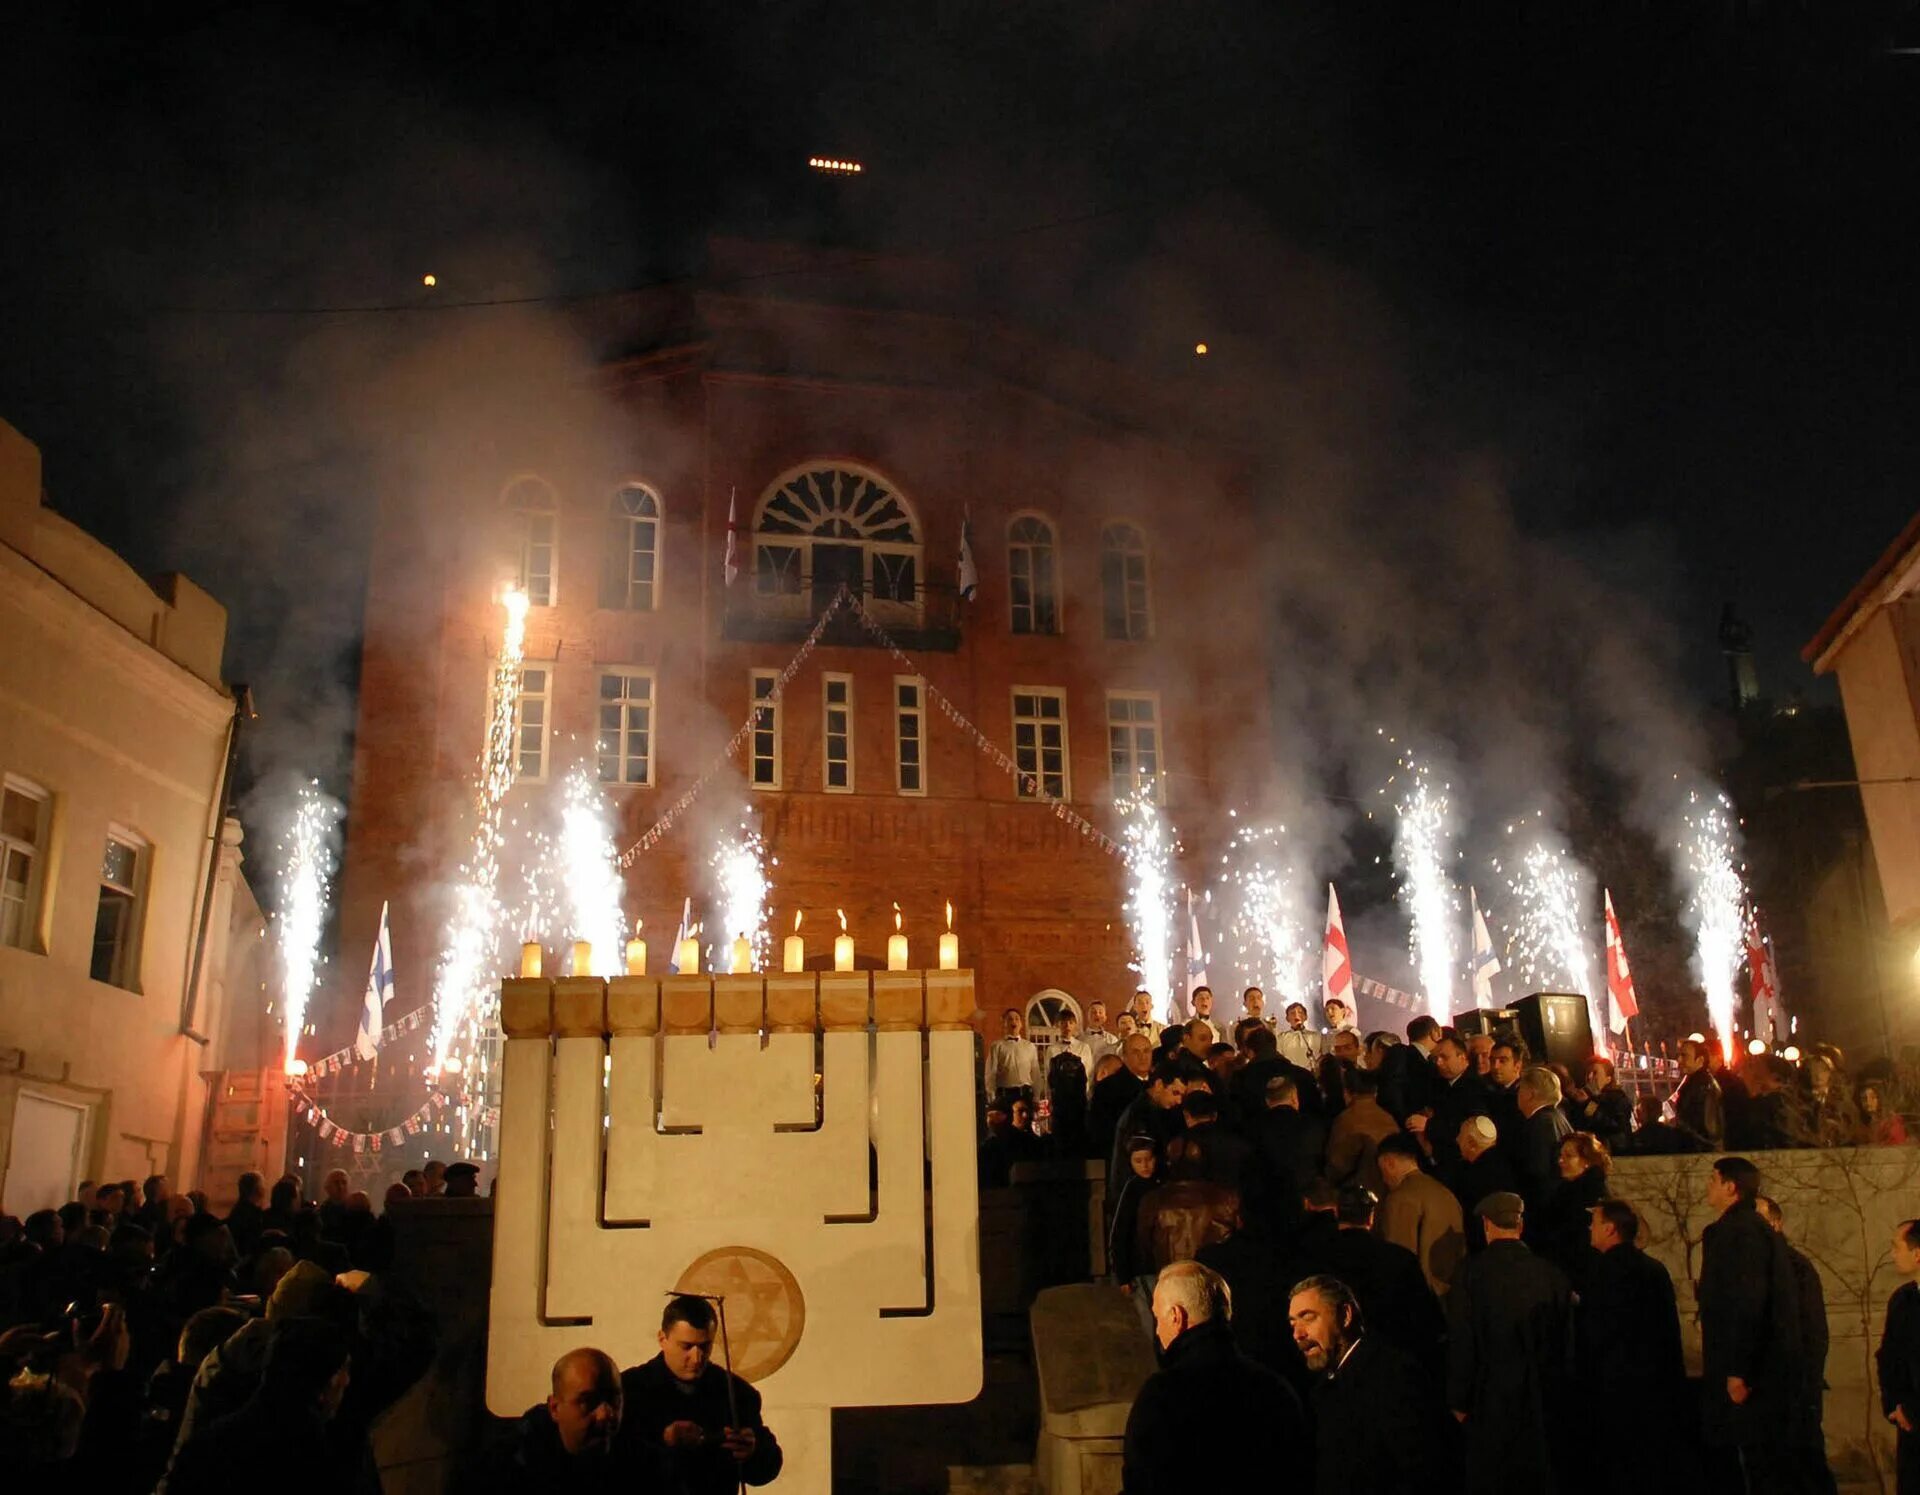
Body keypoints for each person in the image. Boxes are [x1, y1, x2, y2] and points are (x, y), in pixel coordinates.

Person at [1122, 1260, 1307, 1494]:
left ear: (1176, 1317)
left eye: (1158, 1319)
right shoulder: (1276, 1389)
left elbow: (1141, 1483)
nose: (1157, 1331)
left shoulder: (1163, 1395)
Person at [1446, 1191, 1574, 1495]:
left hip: (1489, 1393)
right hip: (1542, 1394)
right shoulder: (1551, 1274)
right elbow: (1566, 1339)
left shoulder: (1471, 1273)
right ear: (1520, 1226)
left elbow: (1463, 1338)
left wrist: (1458, 1399)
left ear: (1487, 1225)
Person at [1290, 1274, 1453, 1495]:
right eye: (1293, 1323)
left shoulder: (1393, 1376)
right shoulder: (1326, 1387)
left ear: (1345, 1315)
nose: (1298, 1334)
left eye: (1308, 1318)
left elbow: (1426, 1471)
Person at [1698, 1156, 1803, 1490]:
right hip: (1758, 1369)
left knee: (1757, 1463)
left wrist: (1738, 1370)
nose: (1708, 1186)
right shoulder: (1749, 1230)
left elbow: (1746, 1302)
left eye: (1714, 1180)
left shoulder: (1739, 1233)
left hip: (1749, 1375)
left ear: (1731, 1187)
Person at [166, 1317, 357, 1495]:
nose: (347, 1381)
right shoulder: (317, 1463)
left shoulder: (205, 1445)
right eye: (344, 1369)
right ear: (328, 1380)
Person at [1577, 1200, 1689, 1489]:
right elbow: (1669, 1333)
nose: (1590, 1228)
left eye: (1596, 1222)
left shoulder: (1600, 1273)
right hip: (1655, 1390)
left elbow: (1595, 1334)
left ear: (1611, 1229)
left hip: (1613, 1390)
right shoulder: (1654, 1270)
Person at [618, 1295, 782, 1493]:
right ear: (662, 1339)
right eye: (686, 1346)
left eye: (705, 1346)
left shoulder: (737, 1393)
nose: (696, 1358)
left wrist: (752, 1453)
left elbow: (766, 1468)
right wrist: (662, 1440)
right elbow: (609, 1459)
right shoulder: (628, 1389)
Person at [1758, 1194, 1837, 1495]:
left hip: (1796, 1386)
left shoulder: (1794, 1266)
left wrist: (1806, 1380)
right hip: (1776, 1387)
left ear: (1776, 1224)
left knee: (1804, 1459)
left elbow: (1813, 1330)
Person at [489, 1346, 636, 1493]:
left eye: (614, 1399)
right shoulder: (507, 1467)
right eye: (589, 1401)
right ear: (554, 1408)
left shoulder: (641, 1460)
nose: (604, 1414)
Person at [1376, 1132, 1466, 1297]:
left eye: (1382, 1171)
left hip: (1421, 1297)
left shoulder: (1400, 1198)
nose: (1384, 1179)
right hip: (1452, 1294)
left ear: (1389, 1162)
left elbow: (1398, 1258)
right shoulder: (1445, 1193)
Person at [1878, 1218, 1920, 1495]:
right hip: (1908, 1423)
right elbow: (1888, 1356)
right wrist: (1895, 1405)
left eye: (1897, 1247)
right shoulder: (1902, 1299)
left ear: (1917, 1254)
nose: (1893, 1254)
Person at [1416, 1033, 1489, 1183]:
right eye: (1436, 1058)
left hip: (1466, 1167)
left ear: (1462, 1057)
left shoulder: (1475, 1088)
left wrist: (1429, 1125)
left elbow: (1469, 1126)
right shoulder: (1440, 1085)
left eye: (1445, 1057)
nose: (1439, 1063)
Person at [1512, 1066, 1573, 1216]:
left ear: (1530, 1094)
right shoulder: (1558, 1118)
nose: (1517, 1095)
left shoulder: (1540, 1124)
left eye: (1521, 1089)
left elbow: (1538, 1171)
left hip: (1545, 1211)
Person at [1326, 1067, 1398, 1194]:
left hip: (1359, 1192)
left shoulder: (1345, 1120)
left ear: (1347, 1093)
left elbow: (1336, 1165)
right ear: (1375, 1092)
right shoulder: (1388, 1118)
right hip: (1389, 1188)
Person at [1089, 1033, 1152, 1160]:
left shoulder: (1159, 1083)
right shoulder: (1107, 1088)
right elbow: (1101, 1131)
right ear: (1124, 1056)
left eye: (1146, 1051)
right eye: (1135, 1052)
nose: (1142, 1057)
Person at [1378, 1015, 1442, 1125]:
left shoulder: (1431, 1061)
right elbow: (1392, 1093)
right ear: (1434, 1033)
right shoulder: (1400, 1054)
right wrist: (1407, 1120)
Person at [1563, 1058, 1634, 1151]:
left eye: (1595, 1073)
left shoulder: (1618, 1099)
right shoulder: (1587, 1097)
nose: (1589, 1077)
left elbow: (1614, 1125)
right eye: (1588, 1073)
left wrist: (1587, 1103)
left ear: (1608, 1079)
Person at [1674, 1038, 1726, 1149]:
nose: (1679, 1060)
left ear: (1700, 1060)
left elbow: (1710, 1127)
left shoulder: (1704, 1086)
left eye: (1685, 1056)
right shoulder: (1696, 1084)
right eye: (1679, 1055)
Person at [985, 1007, 1041, 1109]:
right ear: (1004, 1024)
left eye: (1016, 1018)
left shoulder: (1030, 1046)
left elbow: (1035, 1073)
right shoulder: (997, 1046)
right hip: (1005, 1095)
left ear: (1021, 1024)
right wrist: (992, 1098)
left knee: (1025, 1123)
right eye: (1009, 1019)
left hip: (1025, 1094)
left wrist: (1036, 1097)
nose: (1013, 1021)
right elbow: (991, 1073)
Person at [1859, 1079, 1909, 1145]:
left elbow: (1899, 1145)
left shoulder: (1893, 1121)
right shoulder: (1869, 1123)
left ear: (1880, 1099)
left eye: (1873, 1097)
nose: (1868, 1102)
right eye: (1864, 1099)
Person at [1277, 1001, 1324, 1070]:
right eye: (1292, 1013)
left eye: (1300, 1012)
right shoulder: (1281, 1038)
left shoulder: (1317, 1036)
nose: (1296, 1015)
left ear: (1306, 1017)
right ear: (1287, 1018)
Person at [1081, 1000, 1121, 1070]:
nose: (1097, 1015)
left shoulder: (1113, 1039)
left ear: (1105, 1017)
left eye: (1100, 1012)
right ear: (1088, 1016)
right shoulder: (1079, 1039)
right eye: (1093, 1012)